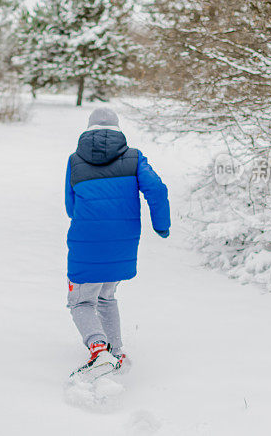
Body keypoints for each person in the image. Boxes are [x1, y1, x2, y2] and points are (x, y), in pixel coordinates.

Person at [64, 107, 170, 376]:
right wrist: (161, 226)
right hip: (122, 243)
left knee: (80, 301)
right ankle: (115, 352)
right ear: (117, 130)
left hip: (86, 241)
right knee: (106, 295)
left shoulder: (75, 160)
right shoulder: (134, 158)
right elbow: (157, 189)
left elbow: (70, 206)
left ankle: (99, 351)